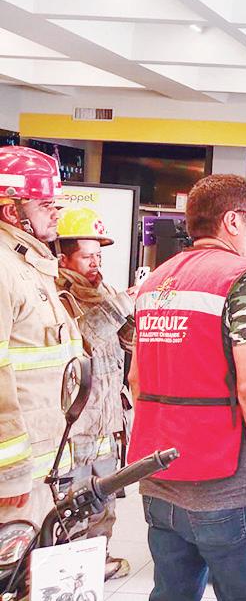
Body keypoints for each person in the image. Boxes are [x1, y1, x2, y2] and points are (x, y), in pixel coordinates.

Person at [128, 174, 246, 601]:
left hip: (160, 481)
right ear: (233, 221)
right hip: (231, 490)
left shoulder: (155, 283)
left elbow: (136, 379)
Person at [0, 147, 82, 532]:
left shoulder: (29, 265)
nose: (56, 213)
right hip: (16, 477)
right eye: (45, 204)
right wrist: (9, 471)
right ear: (11, 212)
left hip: (41, 464)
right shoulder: (5, 269)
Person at [55, 207, 135, 580]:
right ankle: (67, 571)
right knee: (71, 502)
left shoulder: (107, 292)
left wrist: (139, 315)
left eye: (99, 256)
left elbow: (127, 343)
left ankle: (98, 560)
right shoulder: (56, 295)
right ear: (64, 259)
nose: (95, 264)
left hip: (107, 423)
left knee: (104, 498)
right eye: (87, 257)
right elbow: (84, 338)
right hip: (73, 428)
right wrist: (122, 306)